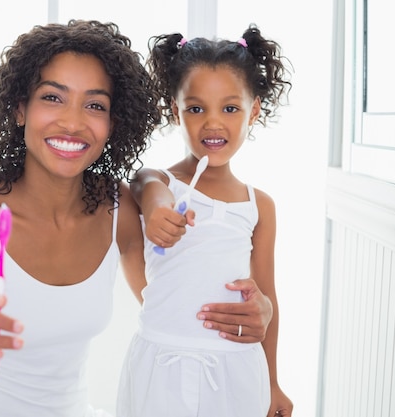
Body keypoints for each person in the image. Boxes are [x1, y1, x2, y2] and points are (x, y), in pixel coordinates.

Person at [0, 20, 273, 417]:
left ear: (113, 124)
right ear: (19, 108)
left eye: (95, 105)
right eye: (52, 97)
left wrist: (259, 312)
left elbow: (173, 299)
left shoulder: (118, 209)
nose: (74, 122)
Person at [117, 25, 294, 417]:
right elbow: (146, 184)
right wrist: (160, 209)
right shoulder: (159, 182)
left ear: (255, 111)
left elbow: (267, 299)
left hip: (236, 370)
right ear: (175, 111)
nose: (213, 123)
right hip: (160, 365)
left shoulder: (259, 205)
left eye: (230, 108)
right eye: (196, 109)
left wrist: (273, 383)